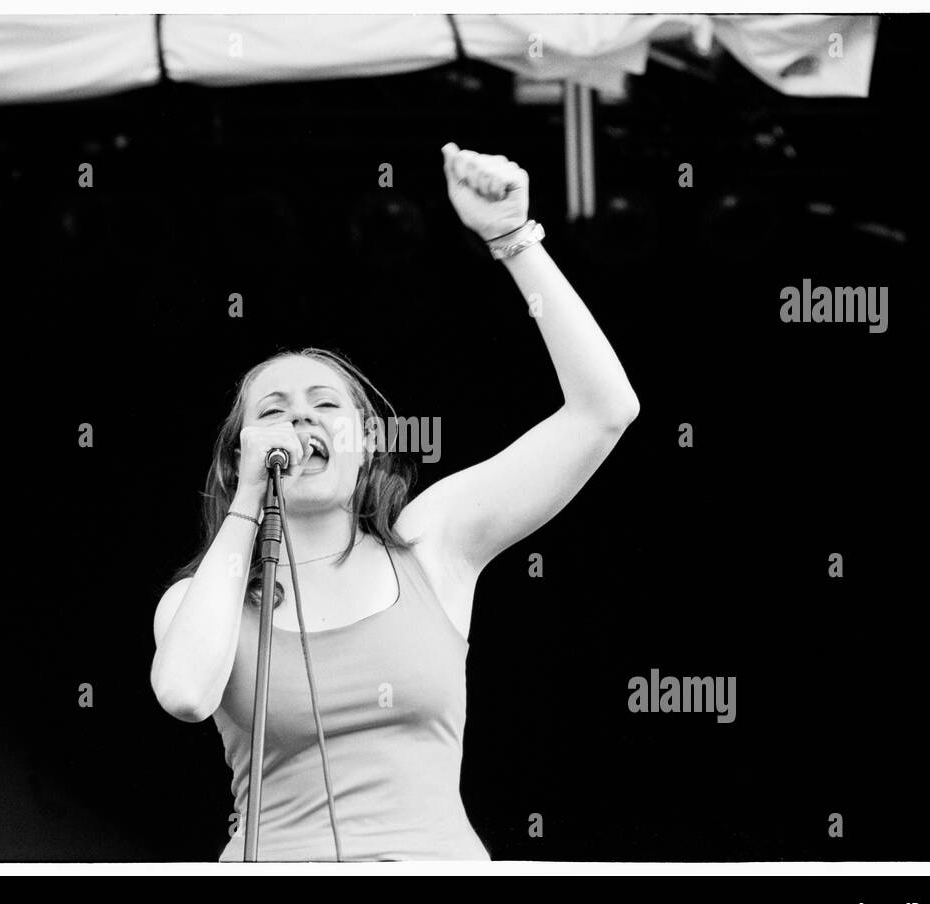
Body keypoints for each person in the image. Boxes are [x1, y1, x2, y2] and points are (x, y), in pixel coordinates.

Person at [151, 143, 641, 861]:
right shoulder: (205, 598)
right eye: (276, 410)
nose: (301, 420)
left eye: (325, 405)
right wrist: (248, 503)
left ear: (366, 444)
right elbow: (187, 695)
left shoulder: (432, 544)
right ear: (239, 452)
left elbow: (604, 410)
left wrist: (514, 240)